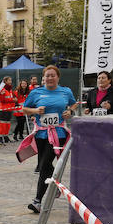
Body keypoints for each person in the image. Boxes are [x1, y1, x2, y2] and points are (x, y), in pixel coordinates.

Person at [18, 65, 78, 213]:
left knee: (44, 165)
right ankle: (56, 184)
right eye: (47, 76)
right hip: (41, 134)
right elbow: (24, 109)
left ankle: (37, 201)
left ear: (58, 77)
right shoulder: (36, 92)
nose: (50, 78)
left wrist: (70, 111)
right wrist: (35, 111)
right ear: (43, 78)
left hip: (59, 134)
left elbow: (74, 103)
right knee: (43, 164)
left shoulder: (65, 91)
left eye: (53, 75)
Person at [0, 75, 17, 144]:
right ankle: (0, 137)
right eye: (9, 80)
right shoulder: (2, 89)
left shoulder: (10, 89)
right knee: (2, 124)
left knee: (7, 123)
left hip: (9, 109)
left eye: (11, 80)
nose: (10, 82)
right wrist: (12, 100)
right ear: (5, 81)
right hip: (3, 109)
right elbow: (2, 100)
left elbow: (12, 97)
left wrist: (14, 100)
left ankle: (6, 136)